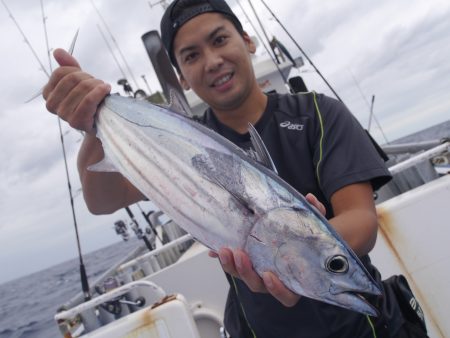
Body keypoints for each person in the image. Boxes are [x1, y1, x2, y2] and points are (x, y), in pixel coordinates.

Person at [43, 0, 412, 337]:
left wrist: (300, 250)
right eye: (191, 56)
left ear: (247, 41)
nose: (212, 60)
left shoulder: (318, 114)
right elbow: (102, 200)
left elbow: (361, 218)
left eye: (220, 40)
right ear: (183, 78)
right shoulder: (177, 140)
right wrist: (92, 120)